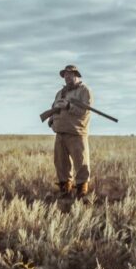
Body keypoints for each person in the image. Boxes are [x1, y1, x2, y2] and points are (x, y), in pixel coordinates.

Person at [45, 64, 92, 197]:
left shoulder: (84, 90)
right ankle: (65, 189)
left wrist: (69, 105)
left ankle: (82, 190)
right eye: (65, 75)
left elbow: (84, 111)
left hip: (76, 132)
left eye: (69, 74)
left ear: (76, 75)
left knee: (81, 162)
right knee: (60, 162)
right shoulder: (60, 93)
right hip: (60, 132)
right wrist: (52, 119)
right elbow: (54, 107)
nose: (67, 77)